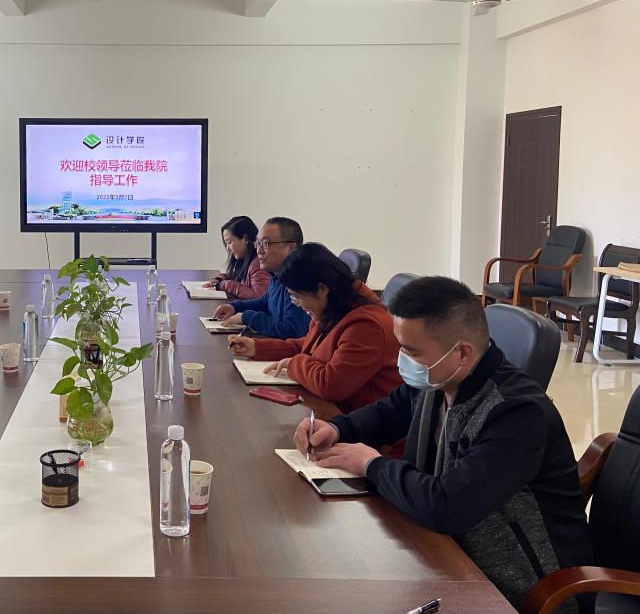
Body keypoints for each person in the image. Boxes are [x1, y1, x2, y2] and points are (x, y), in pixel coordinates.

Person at [295, 277, 593, 613]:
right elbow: (389, 410)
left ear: (462, 353)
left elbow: (448, 507)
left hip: (527, 587)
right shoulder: (440, 377)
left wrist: (371, 464)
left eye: (411, 352)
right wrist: (337, 429)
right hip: (448, 557)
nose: (401, 360)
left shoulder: (517, 413)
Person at [228, 243, 400, 412]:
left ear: (322, 289)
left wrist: (294, 364)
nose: (298, 304)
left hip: (359, 422)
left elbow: (331, 385)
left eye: (298, 297)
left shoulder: (367, 325)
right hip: (336, 412)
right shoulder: (335, 303)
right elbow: (311, 346)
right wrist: (258, 347)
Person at [212, 217, 310, 339]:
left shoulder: (298, 282)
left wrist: (247, 317)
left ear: (291, 248)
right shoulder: (276, 276)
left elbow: (292, 330)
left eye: (266, 244)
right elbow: (264, 302)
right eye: (258, 243)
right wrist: (235, 307)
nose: (259, 250)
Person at [203, 215, 270, 299]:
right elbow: (236, 275)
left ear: (246, 239)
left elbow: (258, 296)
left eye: (229, 242)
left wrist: (223, 285)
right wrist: (219, 279)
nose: (228, 248)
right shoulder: (247, 260)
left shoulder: (257, 264)